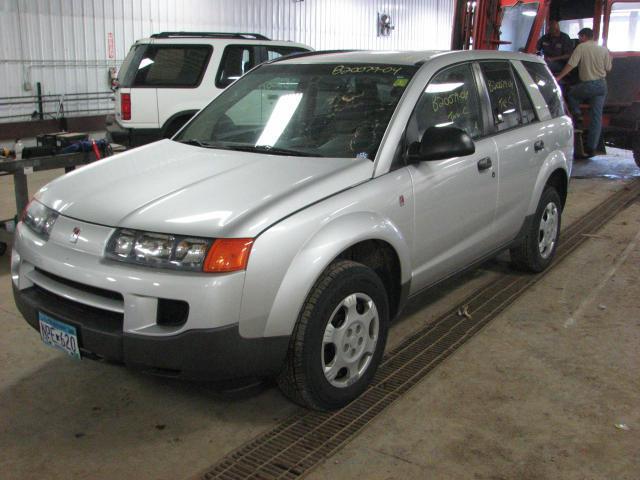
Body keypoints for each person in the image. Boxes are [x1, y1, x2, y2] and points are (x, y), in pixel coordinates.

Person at [556, 28, 612, 157]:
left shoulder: (581, 48)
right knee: (596, 118)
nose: (579, 40)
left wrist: (558, 77)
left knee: (571, 94)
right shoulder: (604, 49)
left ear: (583, 37)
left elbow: (571, 64)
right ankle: (591, 148)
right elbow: (608, 68)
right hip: (602, 86)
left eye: (579, 37)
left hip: (588, 84)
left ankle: (577, 115)